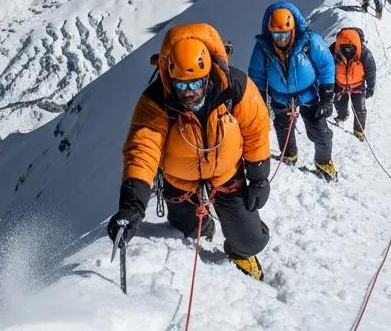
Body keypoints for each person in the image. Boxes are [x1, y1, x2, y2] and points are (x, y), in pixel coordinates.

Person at [107, 22, 271, 280]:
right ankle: (204, 227)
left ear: (208, 75)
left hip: (227, 174)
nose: (189, 92)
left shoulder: (234, 86)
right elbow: (143, 149)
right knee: (186, 231)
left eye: (195, 83)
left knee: (252, 241)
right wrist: (132, 206)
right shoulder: (157, 100)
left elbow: (256, 127)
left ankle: (240, 249)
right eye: (181, 86)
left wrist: (259, 177)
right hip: (179, 182)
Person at [248, 2, 338, 180]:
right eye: (276, 34)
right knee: (282, 127)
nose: (281, 38)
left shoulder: (309, 41)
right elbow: (257, 76)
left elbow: (326, 65)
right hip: (280, 96)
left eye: (285, 33)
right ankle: (288, 154)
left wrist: (327, 97)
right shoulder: (263, 48)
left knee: (321, 131)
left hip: (309, 93)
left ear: (293, 29)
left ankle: (323, 162)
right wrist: (260, 104)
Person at [331, 27, 377, 140]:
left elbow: (371, 70)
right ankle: (342, 116)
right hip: (339, 84)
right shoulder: (333, 51)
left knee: (360, 109)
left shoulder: (364, 53)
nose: (347, 51)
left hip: (358, 85)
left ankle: (359, 131)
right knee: (338, 103)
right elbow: (326, 68)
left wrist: (370, 87)